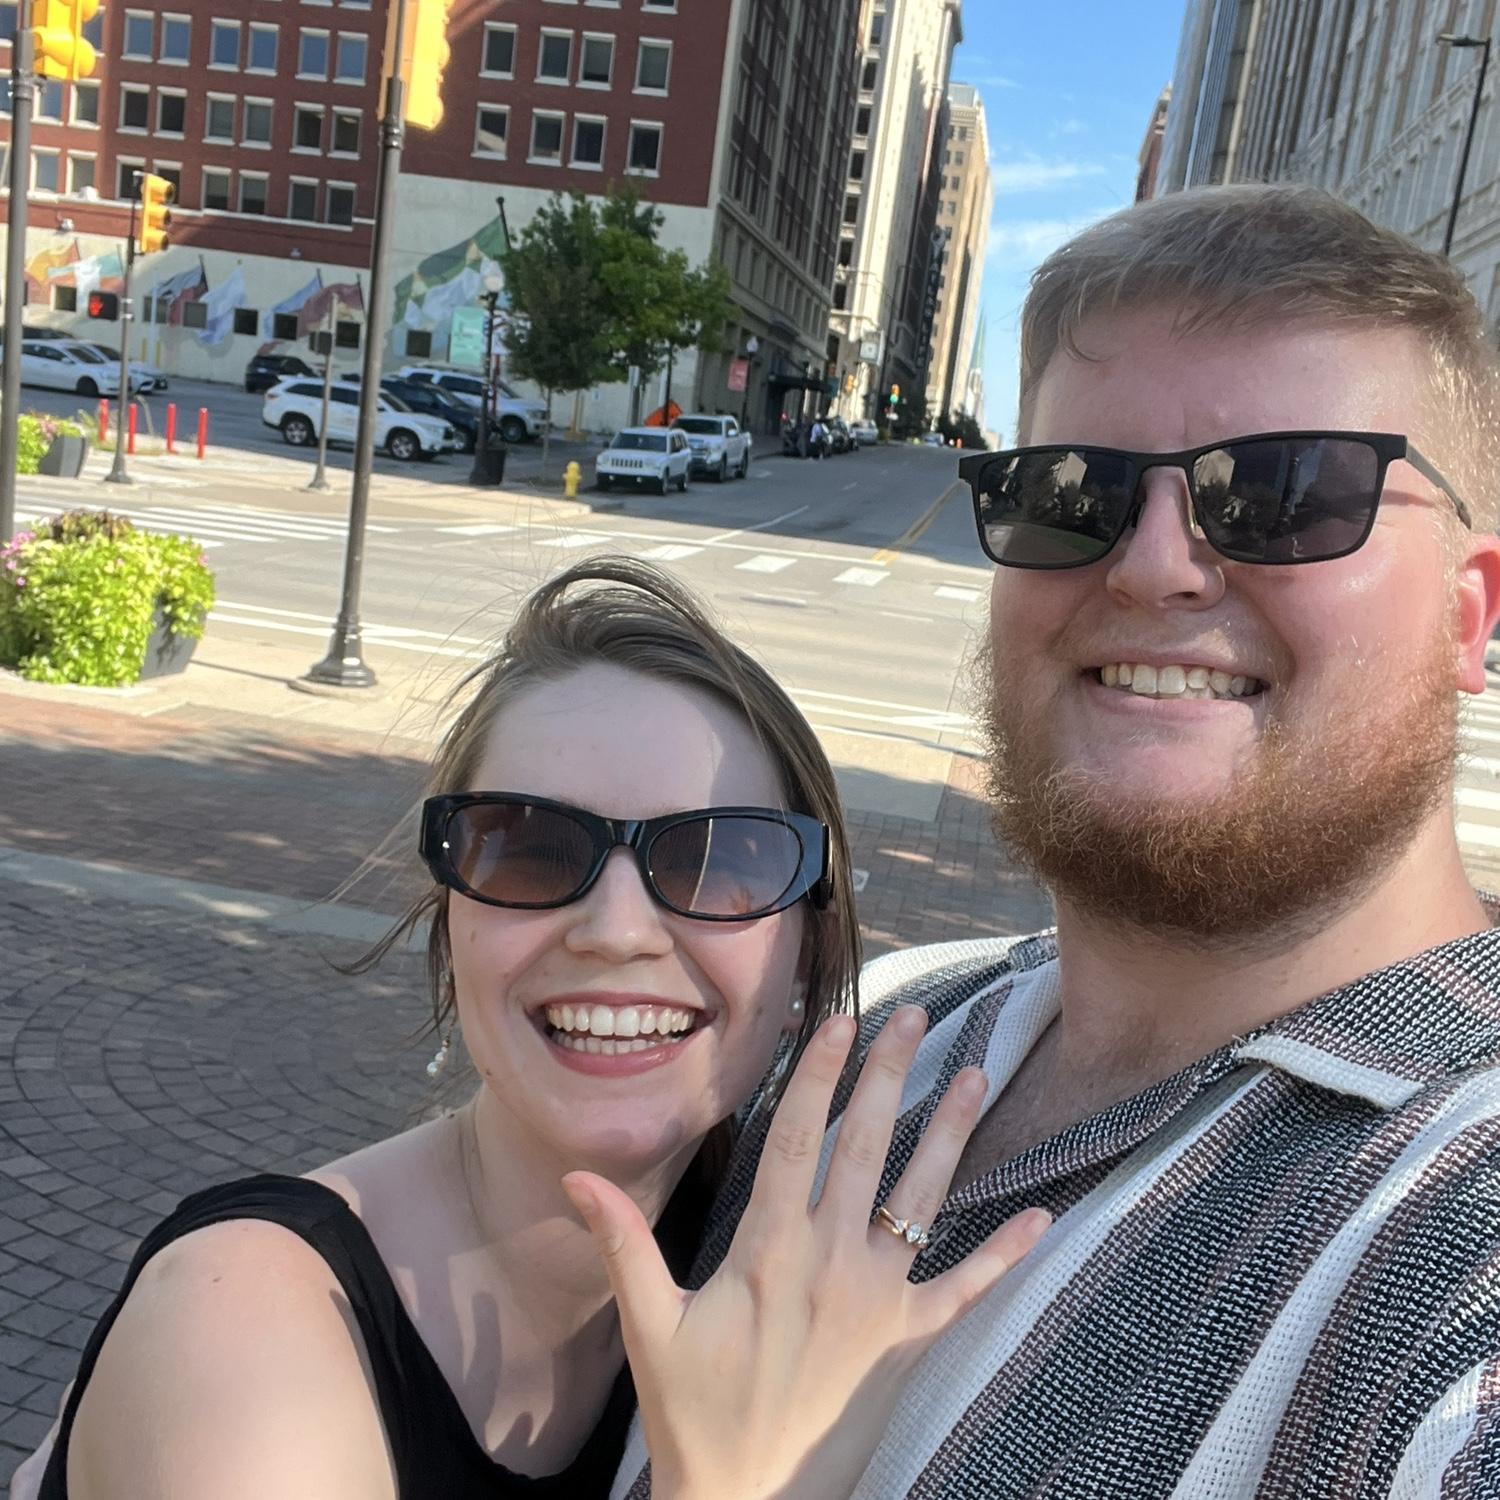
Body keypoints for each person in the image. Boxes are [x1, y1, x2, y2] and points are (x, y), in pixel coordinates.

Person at [609, 183, 1500, 1496]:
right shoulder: (881, 1029)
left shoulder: (1460, 1245)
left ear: (1473, 617)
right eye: (1067, 493)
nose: (1152, 566)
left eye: (1282, 492)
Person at [15, 557, 1047, 1500]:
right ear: (452, 923)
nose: (617, 930)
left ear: (806, 960)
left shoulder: (774, 1264)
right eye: (528, 849)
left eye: (719, 861)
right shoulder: (242, 1342)